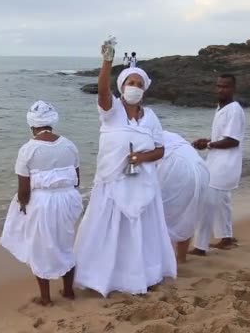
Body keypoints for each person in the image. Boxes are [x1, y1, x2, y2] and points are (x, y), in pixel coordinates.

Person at [74, 40, 177, 297]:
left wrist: (141, 158)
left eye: (139, 84)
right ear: (122, 87)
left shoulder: (150, 116)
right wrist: (107, 62)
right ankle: (102, 277)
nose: (135, 88)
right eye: (131, 83)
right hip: (112, 183)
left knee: (143, 232)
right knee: (109, 230)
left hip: (142, 183)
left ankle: (145, 275)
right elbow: (102, 91)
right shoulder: (112, 111)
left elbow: (160, 149)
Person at [0, 101, 83, 306]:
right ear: (52, 122)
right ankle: (68, 291)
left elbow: (24, 189)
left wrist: (22, 205)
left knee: (40, 248)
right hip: (67, 199)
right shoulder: (69, 145)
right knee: (65, 245)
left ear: (32, 126)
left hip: (42, 203)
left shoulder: (27, 150)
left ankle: (46, 298)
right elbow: (77, 179)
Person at [191, 74, 246, 255]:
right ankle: (226, 237)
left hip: (224, 165)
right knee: (223, 202)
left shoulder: (234, 110)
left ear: (233, 89)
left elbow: (232, 140)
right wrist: (208, 140)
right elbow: (222, 137)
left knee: (207, 203)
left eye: (226, 86)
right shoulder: (221, 107)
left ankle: (200, 246)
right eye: (219, 86)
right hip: (218, 161)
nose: (221, 89)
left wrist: (207, 145)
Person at [157, 130, 210, 263]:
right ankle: (181, 258)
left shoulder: (141, 138)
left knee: (163, 216)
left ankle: (166, 260)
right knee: (188, 213)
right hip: (201, 169)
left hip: (178, 169)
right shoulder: (170, 135)